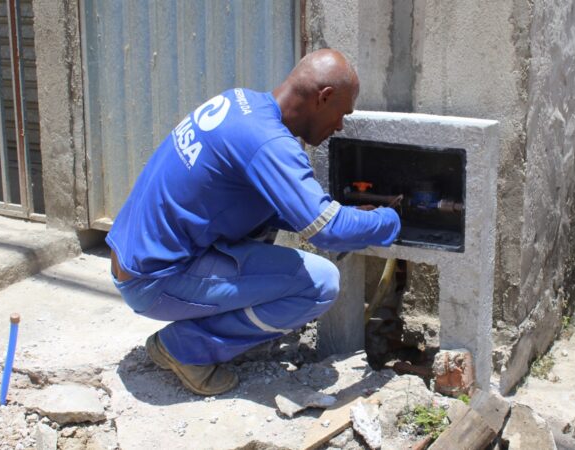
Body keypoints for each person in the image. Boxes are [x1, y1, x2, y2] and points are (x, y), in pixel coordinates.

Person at [107, 49, 400, 395]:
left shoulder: (241, 103)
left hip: (132, 258)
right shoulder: (269, 143)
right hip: (154, 281)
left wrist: (347, 215)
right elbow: (327, 231)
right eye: (342, 114)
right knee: (320, 284)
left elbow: (279, 208)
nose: (339, 126)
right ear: (324, 97)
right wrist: (391, 220)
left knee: (263, 219)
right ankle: (183, 347)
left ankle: (227, 331)